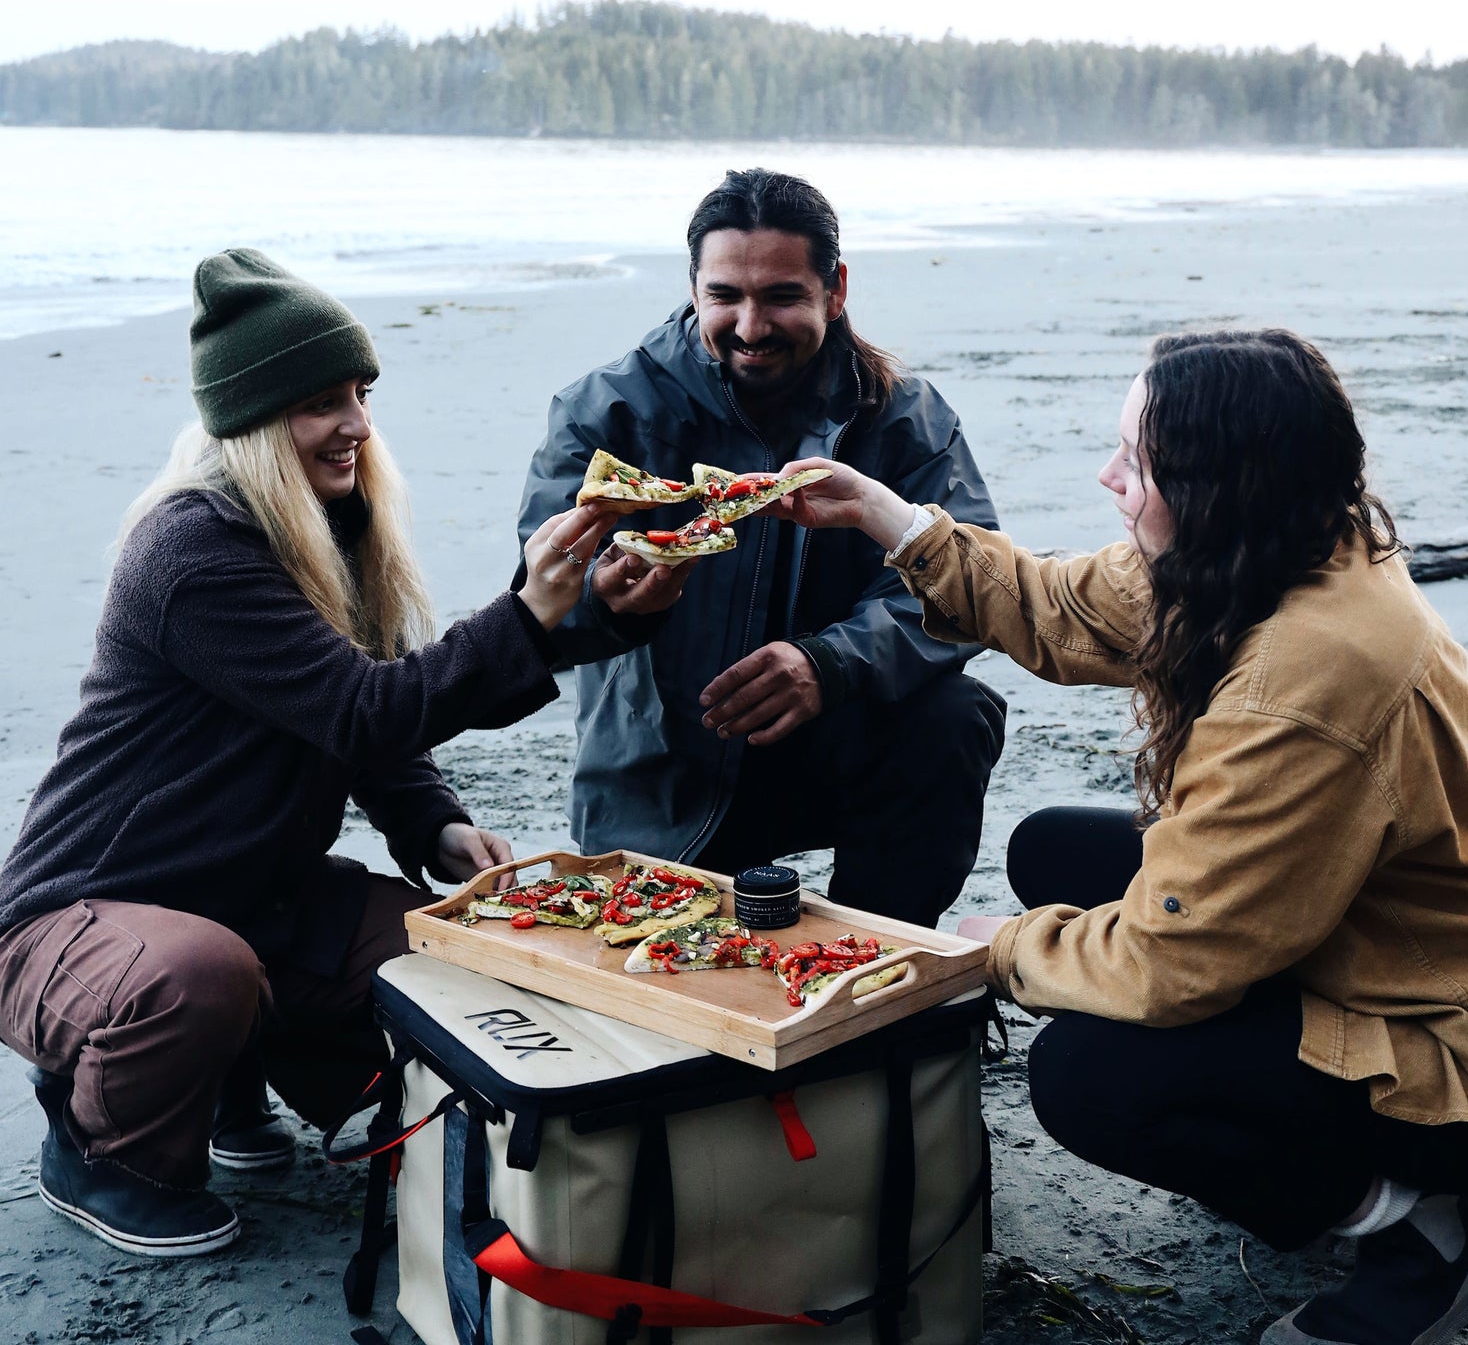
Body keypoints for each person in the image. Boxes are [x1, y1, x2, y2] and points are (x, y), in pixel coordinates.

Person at [779, 327, 1468, 1345]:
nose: (1109, 479)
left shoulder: (1312, 673)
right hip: (1358, 929)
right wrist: (891, 518)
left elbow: (1175, 962)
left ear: (1220, 483)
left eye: (1139, 461)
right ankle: (1311, 1153)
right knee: (1053, 851)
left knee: (1092, 1076)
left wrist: (1000, 951)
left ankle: (1421, 1233)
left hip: (1453, 1027)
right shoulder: (1268, 549)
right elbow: (1061, 607)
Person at [0, 249, 612, 1258]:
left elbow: (360, 729)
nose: (358, 426)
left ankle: (232, 1073)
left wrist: (437, 823)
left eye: (362, 394)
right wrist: (529, 617)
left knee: (454, 965)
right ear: (252, 418)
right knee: (196, 974)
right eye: (322, 402)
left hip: (253, 901)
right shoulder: (193, 550)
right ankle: (99, 1146)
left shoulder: (327, 528)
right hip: (79, 917)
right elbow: (368, 710)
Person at [519, 169, 1007, 927]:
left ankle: (876, 964)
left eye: (781, 295)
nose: (751, 326)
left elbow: (965, 584)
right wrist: (606, 605)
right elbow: (534, 604)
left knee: (957, 713)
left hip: (841, 730)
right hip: (666, 760)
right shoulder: (603, 411)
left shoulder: (905, 417)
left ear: (834, 289)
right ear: (693, 288)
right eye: (725, 297)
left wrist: (831, 662)